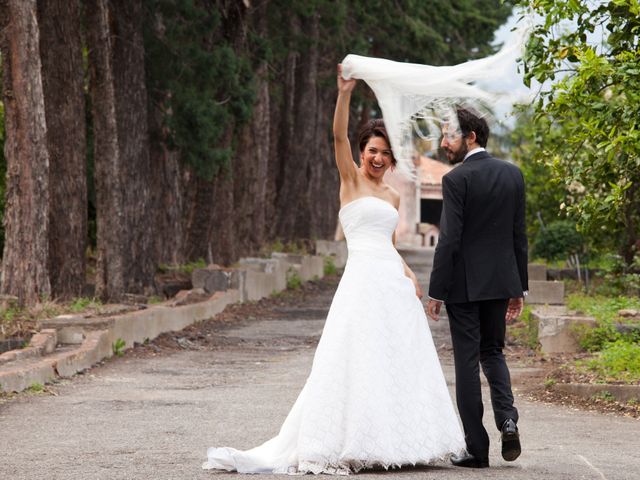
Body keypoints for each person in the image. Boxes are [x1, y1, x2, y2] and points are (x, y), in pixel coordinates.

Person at [202, 65, 465, 474]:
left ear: (393, 158)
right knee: (354, 358)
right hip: (360, 283)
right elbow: (337, 135)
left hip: (392, 285)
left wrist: (410, 274)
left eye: (385, 153)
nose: (377, 158)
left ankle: (396, 442)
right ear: (362, 152)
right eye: (371, 150)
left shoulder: (394, 197)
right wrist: (344, 94)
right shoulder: (350, 180)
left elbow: (390, 245)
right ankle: (350, 441)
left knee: (393, 360)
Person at [426, 107, 528, 469]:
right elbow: (519, 236)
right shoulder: (513, 174)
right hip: (501, 282)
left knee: (467, 364)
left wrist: (436, 290)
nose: (443, 143)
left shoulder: (456, 179)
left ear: (470, 136)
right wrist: (520, 288)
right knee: (494, 352)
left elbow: (449, 239)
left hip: (464, 287)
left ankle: (477, 449)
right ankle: (508, 419)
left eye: (448, 135)